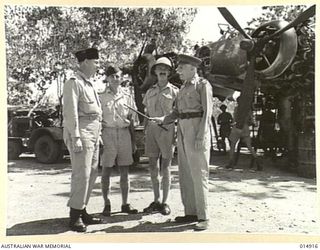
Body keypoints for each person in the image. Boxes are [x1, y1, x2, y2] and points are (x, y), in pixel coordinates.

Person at [152, 54, 213, 231]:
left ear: (192, 68)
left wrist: (202, 136)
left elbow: (207, 113)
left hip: (197, 129)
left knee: (199, 173)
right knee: (186, 173)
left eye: (181, 67)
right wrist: (162, 119)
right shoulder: (183, 88)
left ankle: (204, 216)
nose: (177, 71)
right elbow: (176, 113)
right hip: (183, 130)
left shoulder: (202, 85)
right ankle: (191, 212)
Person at [63, 47, 103, 232]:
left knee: (92, 173)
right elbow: (71, 113)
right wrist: (76, 136)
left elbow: (96, 113)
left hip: (94, 131)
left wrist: (99, 134)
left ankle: (83, 209)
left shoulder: (89, 83)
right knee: (82, 174)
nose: (98, 65)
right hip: (82, 132)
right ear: (86, 61)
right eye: (96, 62)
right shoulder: (74, 82)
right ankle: (75, 216)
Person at [99, 65, 139, 217]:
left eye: (118, 76)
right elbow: (97, 120)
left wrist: (134, 142)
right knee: (106, 171)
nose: (116, 79)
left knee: (125, 172)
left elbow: (132, 121)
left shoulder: (127, 96)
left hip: (124, 134)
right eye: (113, 76)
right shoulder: (101, 97)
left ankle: (125, 203)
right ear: (107, 79)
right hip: (107, 134)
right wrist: (100, 140)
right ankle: (106, 203)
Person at [142, 57, 179, 215]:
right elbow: (146, 113)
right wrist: (144, 130)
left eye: (166, 68)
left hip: (167, 130)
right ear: (155, 71)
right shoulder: (150, 91)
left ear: (169, 72)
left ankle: (165, 201)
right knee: (152, 167)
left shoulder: (175, 91)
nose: (162, 70)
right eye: (159, 68)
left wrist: (176, 133)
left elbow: (179, 114)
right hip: (151, 131)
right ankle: (156, 200)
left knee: (166, 167)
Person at [226, 97, 262, 171]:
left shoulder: (237, 109)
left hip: (236, 127)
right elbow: (252, 120)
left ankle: (231, 162)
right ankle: (258, 162)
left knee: (232, 146)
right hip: (245, 127)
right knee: (249, 146)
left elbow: (234, 119)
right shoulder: (248, 110)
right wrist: (253, 123)